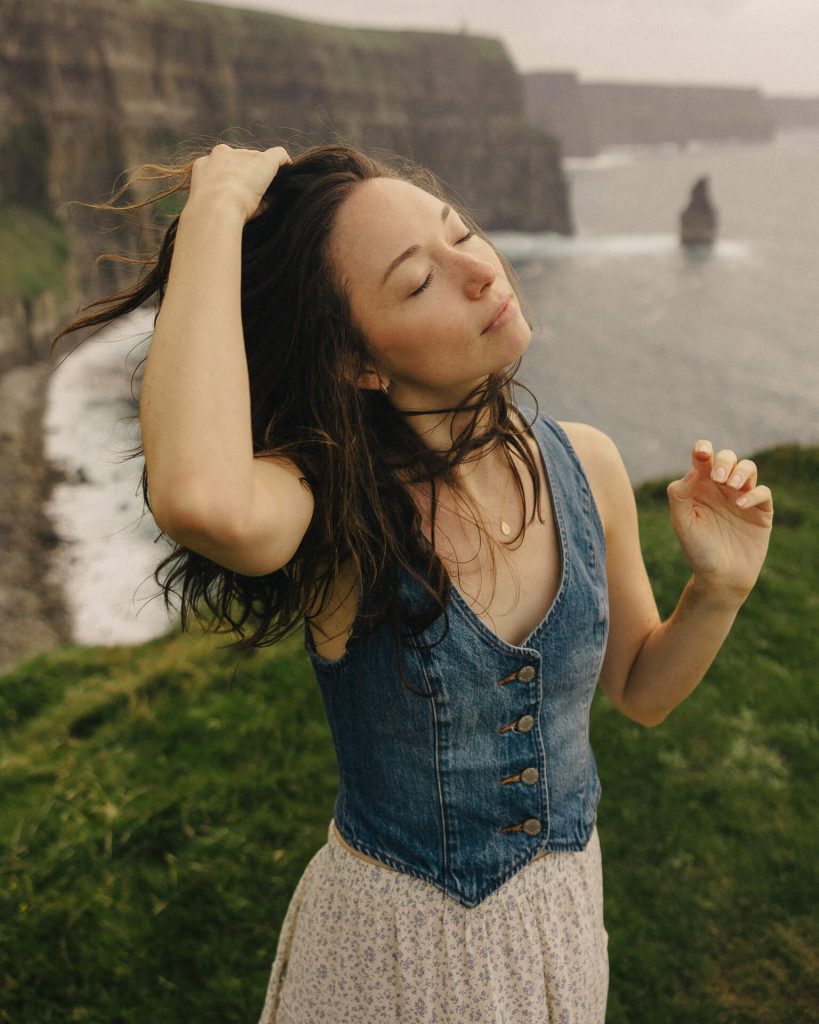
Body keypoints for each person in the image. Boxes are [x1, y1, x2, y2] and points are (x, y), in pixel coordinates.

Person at [54, 142, 774, 1022]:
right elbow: (200, 496)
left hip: (563, 931)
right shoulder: (334, 511)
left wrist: (720, 590)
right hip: (394, 964)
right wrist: (212, 212)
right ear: (360, 364)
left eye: (460, 232)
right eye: (416, 282)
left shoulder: (589, 463)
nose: (476, 270)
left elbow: (641, 691)